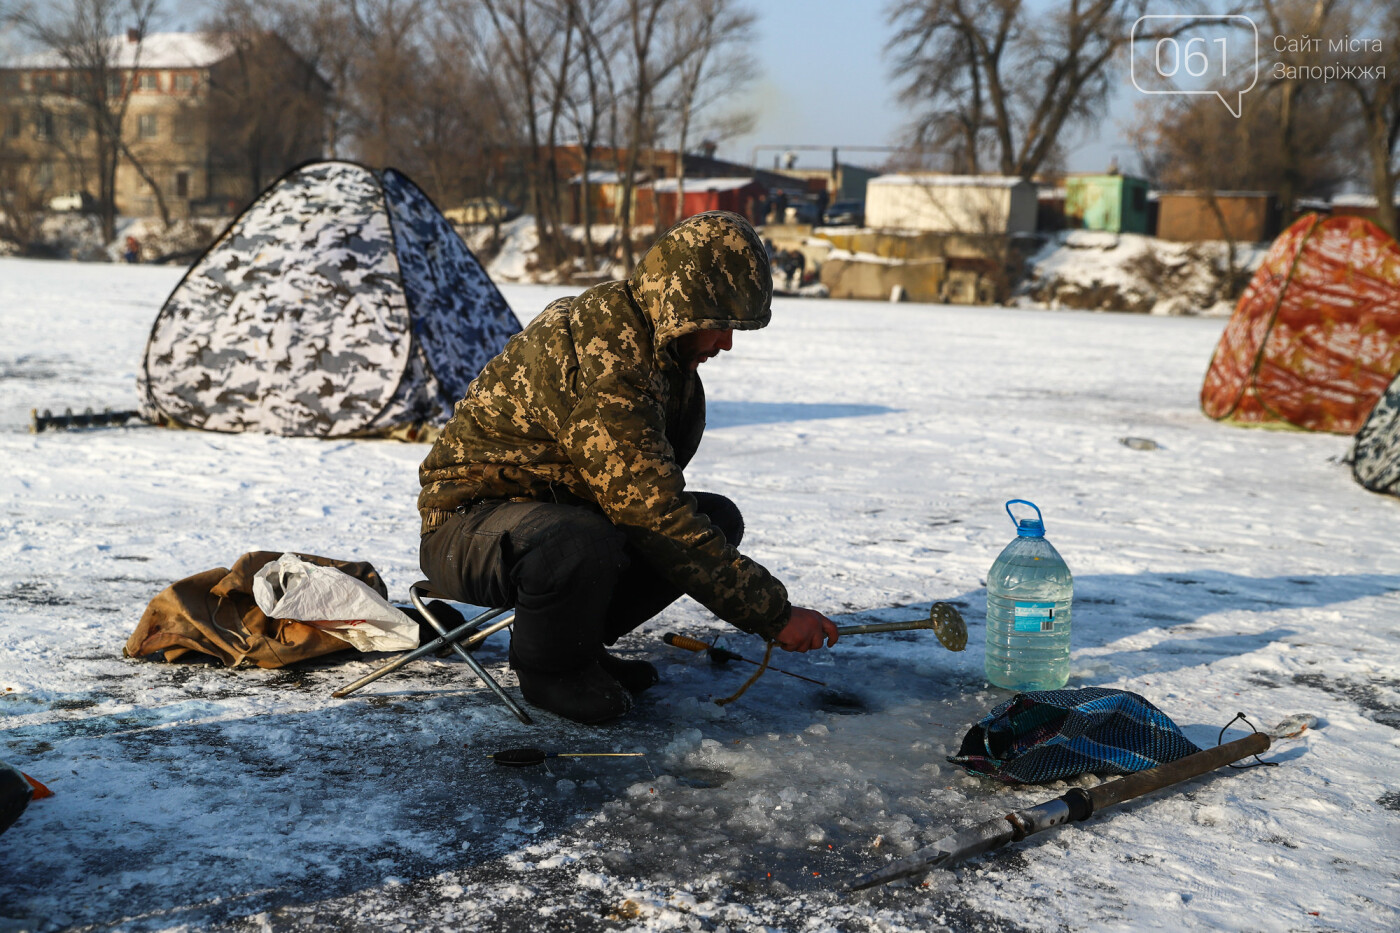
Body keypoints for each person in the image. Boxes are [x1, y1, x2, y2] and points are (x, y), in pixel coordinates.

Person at [418, 211, 838, 723]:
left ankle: (579, 644)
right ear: (685, 305)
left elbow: (649, 498)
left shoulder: (659, 350)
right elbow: (652, 514)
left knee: (717, 521)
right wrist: (773, 614)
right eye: (721, 323)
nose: (726, 343)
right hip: (467, 529)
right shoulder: (608, 356)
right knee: (581, 541)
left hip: (553, 520)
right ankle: (551, 668)